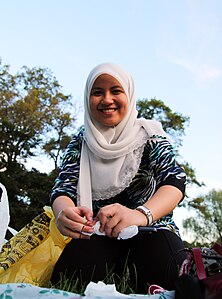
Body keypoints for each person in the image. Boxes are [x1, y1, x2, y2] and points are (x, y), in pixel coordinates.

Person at [50, 63, 187, 293]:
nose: (106, 99)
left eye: (116, 90)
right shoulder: (81, 143)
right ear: (87, 98)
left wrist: (139, 215)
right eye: (97, 92)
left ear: (129, 95)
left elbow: (174, 182)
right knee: (72, 276)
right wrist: (64, 213)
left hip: (152, 228)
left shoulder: (150, 136)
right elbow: (62, 189)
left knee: (165, 271)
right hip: (98, 232)